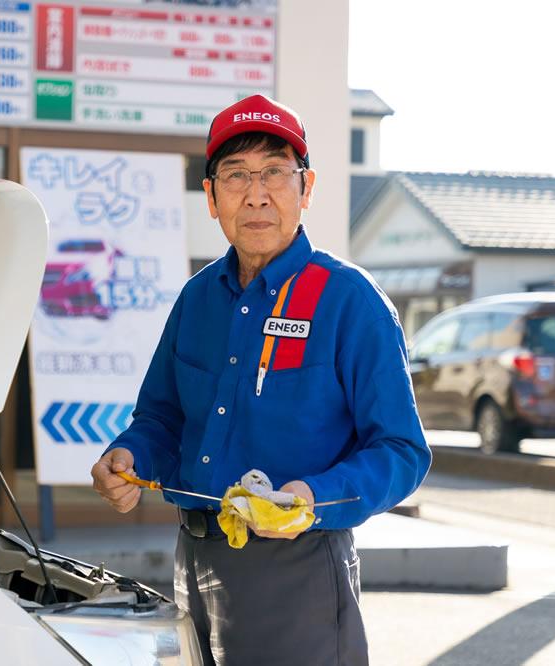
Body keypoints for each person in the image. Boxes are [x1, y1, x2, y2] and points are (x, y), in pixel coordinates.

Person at [90, 94, 431, 665]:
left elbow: (401, 451)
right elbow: (162, 419)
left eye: (275, 171)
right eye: (237, 174)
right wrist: (129, 457)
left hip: (299, 567)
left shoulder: (349, 302)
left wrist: (310, 497)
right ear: (211, 195)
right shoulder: (197, 298)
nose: (257, 193)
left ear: (307, 187)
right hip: (192, 562)